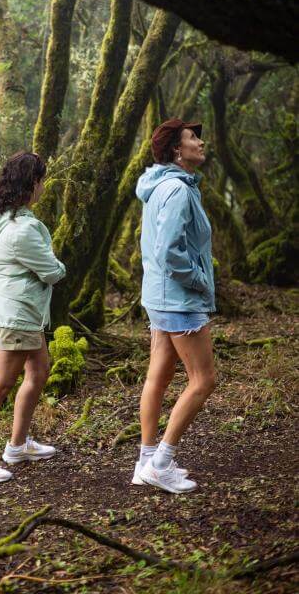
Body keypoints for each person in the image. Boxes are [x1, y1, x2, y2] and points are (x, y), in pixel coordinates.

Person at [0, 151, 66, 484]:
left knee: (38, 371)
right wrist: (58, 265)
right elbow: (52, 272)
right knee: (1, 383)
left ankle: (17, 445)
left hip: (16, 309)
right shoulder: (22, 230)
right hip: (16, 313)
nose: (44, 186)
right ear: (31, 184)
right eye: (41, 180)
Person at [132, 118, 216, 494]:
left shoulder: (160, 186)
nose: (200, 142)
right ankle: (161, 462)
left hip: (160, 296)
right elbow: (169, 252)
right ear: (176, 151)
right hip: (179, 299)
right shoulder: (178, 191)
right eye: (192, 137)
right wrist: (199, 280)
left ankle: (146, 461)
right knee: (203, 379)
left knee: (160, 375)